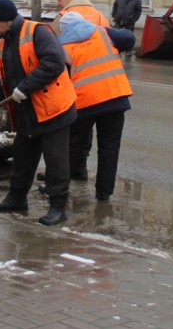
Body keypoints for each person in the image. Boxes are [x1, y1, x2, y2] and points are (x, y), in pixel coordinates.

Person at [0, 0, 77, 226]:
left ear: (3, 20)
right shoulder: (4, 42)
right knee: (23, 157)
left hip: (54, 109)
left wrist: (24, 88)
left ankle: (59, 207)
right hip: (28, 111)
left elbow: (55, 63)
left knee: (55, 161)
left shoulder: (38, 32)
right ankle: (17, 198)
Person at [57, 12, 133, 201]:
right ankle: (104, 193)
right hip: (115, 97)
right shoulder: (103, 33)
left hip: (84, 103)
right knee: (110, 147)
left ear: (63, 28)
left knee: (72, 147)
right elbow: (130, 38)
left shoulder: (61, 47)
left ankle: (59, 186)